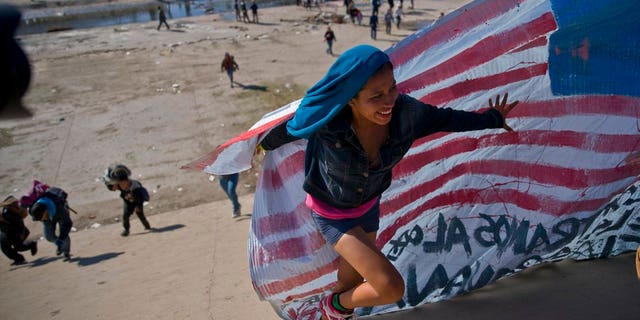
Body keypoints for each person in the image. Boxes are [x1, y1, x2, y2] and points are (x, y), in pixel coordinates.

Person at [259, 45, 518, 319]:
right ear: (351, 99)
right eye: (376, 96)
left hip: (369, 207)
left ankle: (331, 313)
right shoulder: (328, 121)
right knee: (389, 286)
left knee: (350, 288)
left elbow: (447, 118)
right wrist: (259, 146)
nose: (389, 101)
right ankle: (328, 308)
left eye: (392, 89)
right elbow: (288, 131)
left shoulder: (408, 114)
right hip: (332, 214)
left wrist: (492, 119)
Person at [102, 164, 152, 237]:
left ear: (127, 181)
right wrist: (111, 187)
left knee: (140, 215)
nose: (122, 185)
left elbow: (140, 198)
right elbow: (111, 187)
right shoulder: (119, 184)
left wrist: (137, 206)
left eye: (124, 183)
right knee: (125, 216)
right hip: (127, 201)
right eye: (120, 184)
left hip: (137, 201)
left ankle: (147, 226)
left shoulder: (136, 187)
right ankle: (126, 230)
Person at [29, 186, 74, 261]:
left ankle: (66, 253)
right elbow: (38, 216)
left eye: (42, 218)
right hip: (50, 217)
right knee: (48, 236)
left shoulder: (60, 209)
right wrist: (58, 241)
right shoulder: (34, 210)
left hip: (59, 214)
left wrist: (61, 238)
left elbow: (68, 224)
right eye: (40, 219)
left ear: (46, 211)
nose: (42, 220)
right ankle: (59, 245)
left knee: (63, 233)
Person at [1, 196, 37, 265]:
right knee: (5, 248)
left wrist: (22, 234)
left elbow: (20, 225)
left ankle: (32, 244)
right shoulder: (5, 210)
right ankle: (18, 258)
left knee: (19, 247)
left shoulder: (14, 215)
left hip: (16, 233)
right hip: (6, 232)